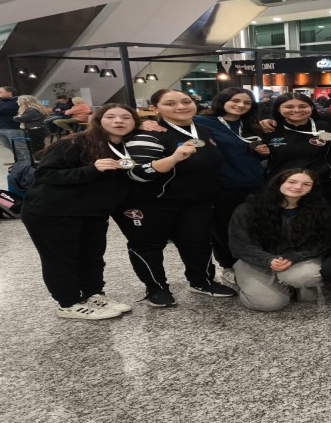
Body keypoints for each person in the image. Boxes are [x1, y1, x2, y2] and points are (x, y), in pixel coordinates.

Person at [113, 88, 236, 307]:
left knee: (198, 243)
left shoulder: (202, 130)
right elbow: (137, 173)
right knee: (148, 247)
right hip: (153, 202)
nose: (180, 107)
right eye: (170, 103)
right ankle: (156, 288)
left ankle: (201, 282)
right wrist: (173, 158)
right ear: (155, 109)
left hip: (195, 201)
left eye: (186, 101)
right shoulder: (149, 134)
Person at [20, 104, 139, 320]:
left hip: (93, 212)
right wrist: (91, 169)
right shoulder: (75, 142)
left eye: (126, 117)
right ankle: (68, 303)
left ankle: (93, 294)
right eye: (110, 117)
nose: (118, 121)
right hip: (54, 212)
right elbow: (45, 175)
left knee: (92, 256)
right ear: (98, 120)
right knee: (61, 259)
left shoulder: (129, 145)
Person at [228, 169, 331, 312]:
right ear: (279, 183)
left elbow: (322, 243)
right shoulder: (249, 208)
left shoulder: (320, 209)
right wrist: (268, 260)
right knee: (269, 304)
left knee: (307, 278)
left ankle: (291, 283)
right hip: (256, 261)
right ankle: (240, 279)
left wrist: (293, 257)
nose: (298, 187)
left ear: (312, 188)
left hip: (296, 259)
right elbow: (240, 244)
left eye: (306, 184)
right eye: (292, 182)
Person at [192, 88, 266, 287]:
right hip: (223, 185)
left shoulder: (251, 124)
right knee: (224, 228)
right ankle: (228, 266)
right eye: (235, 100)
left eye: (246, 102)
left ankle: (254, 263)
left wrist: (262, 152)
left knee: (255, 227)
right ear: (222, 100)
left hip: (254, 183)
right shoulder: (202, 122)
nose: (241, 105)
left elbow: (251, 152)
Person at [254, 92, 331, 219]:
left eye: (303, 106)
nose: (296, 110)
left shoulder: (327, 127)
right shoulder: (270, 129)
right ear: (278, 109)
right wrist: (261, 152)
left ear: (312, 108)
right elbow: (260, 157)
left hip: (322, 188)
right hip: (283, 189)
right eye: (289, 107)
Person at [0, 86, 30, 162]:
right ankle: (20, 161)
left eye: (0, 92)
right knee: (8, 146)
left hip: (13, 128)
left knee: (20, 146)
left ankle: (28, 163)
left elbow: (2, 110)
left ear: (9, 93)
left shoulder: (17, 102)